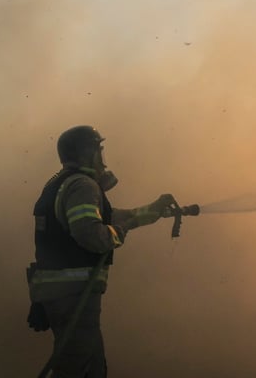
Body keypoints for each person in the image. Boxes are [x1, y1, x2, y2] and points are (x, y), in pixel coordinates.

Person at [28, 125, 178, 378]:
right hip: (74, 293)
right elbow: (91, 234)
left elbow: (109, 218)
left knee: (87, 365)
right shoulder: (83, 186)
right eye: (98, 150)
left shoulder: (64, 184)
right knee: (79, 368)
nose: (102, 157)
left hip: (60, 292)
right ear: (87, 153)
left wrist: (153, 210)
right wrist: (119, 233)